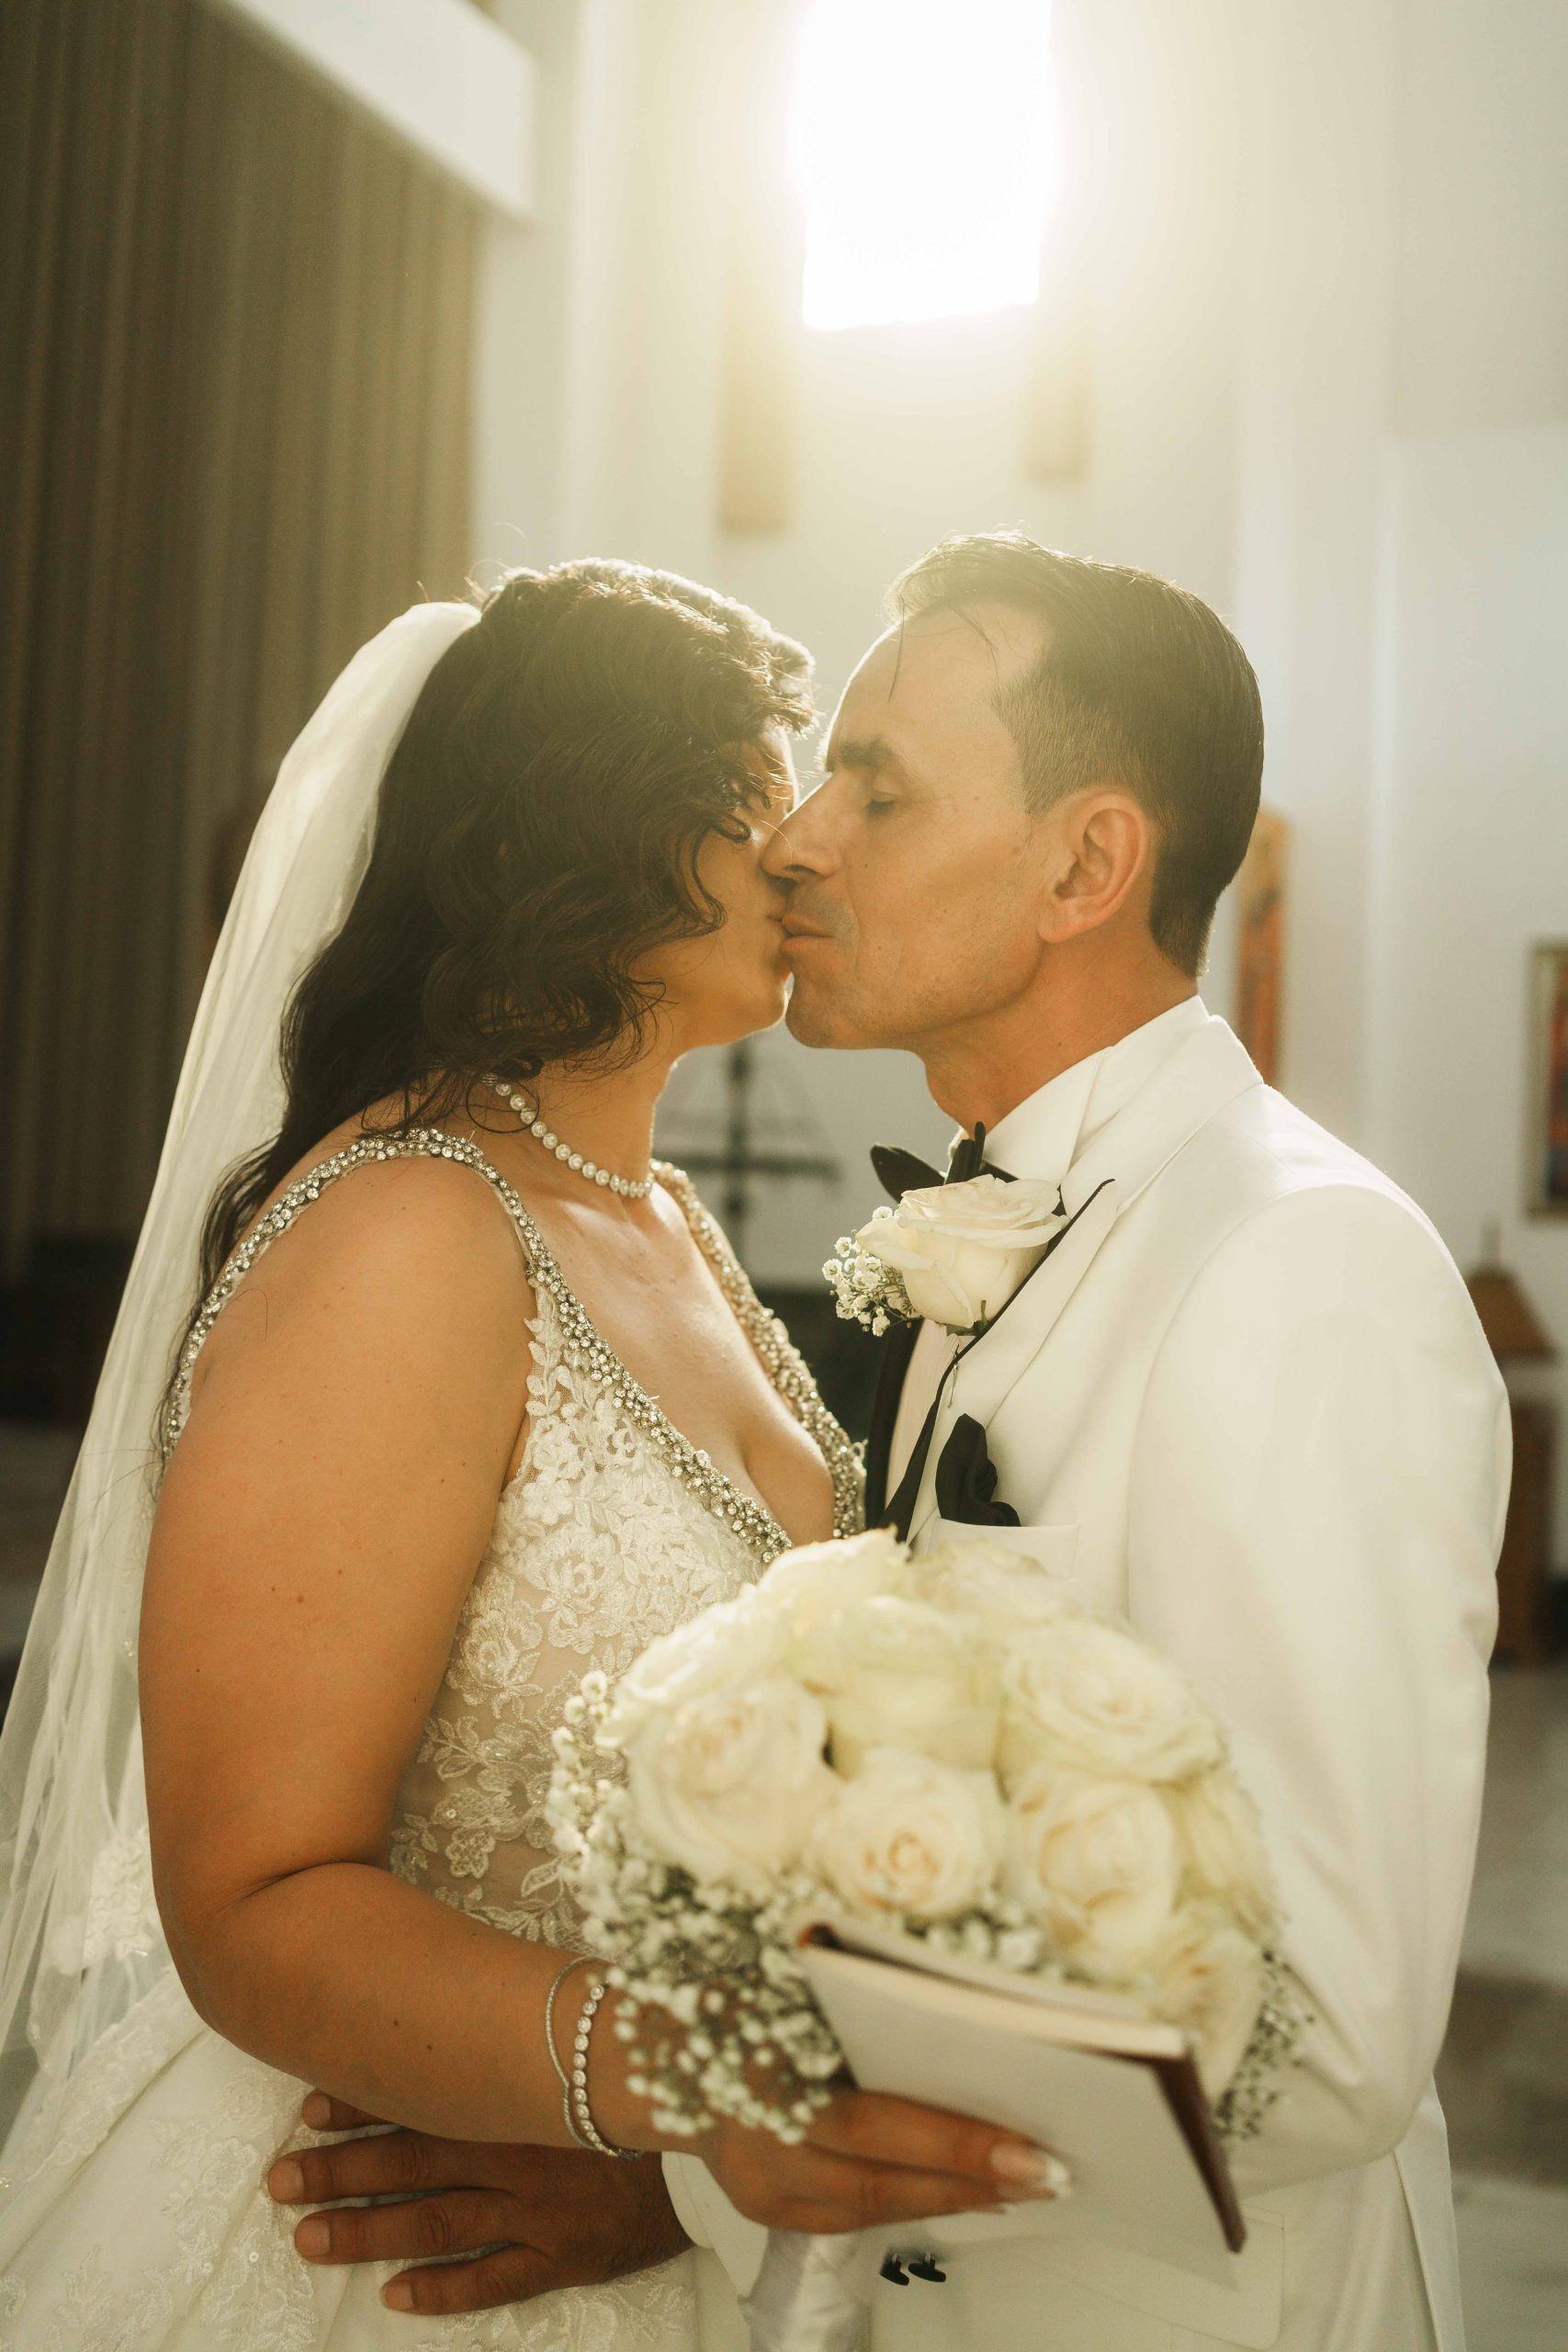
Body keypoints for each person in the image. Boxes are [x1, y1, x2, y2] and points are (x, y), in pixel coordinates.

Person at [286, 537, 1506, 2352]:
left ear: (1084, 864)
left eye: (876, 788)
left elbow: (1319, 2034)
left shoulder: (1297, 1261)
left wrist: (695, 2168)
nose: (795, 839)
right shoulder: (991, 1223)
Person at [0, 561, 1055, 2348]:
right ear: (566, 835)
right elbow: (252, 1893)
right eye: (747, 795)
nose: (805, 846)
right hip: (398, 2240)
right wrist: (701, 2081)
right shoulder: (409, 1229)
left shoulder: (659, 1214)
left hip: (661, 2216)